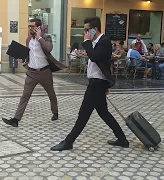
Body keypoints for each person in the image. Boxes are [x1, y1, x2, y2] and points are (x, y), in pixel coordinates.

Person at [50, 17, 129, 151]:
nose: (85, 33)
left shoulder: (104, 42)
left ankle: (68, 142)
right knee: (104, 113)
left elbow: (94, 57)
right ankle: (122, 139)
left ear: (95, 29)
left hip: (97, 84)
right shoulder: (96, 42)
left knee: (83, 114)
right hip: (97, 82)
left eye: (87, 30)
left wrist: (86, 42)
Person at [2, 18, 66, 127]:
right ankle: (16, 119)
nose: (30, 29)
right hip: (31, 73)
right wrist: (23, 59)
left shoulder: (46, 38)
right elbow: (28, 54)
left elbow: (49, 48)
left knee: (51, 93)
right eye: (29, 26)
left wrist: (39, 37)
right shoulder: (28, 39)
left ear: (38, 27)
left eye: (32, 26)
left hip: (45, 72)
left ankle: (55, 112)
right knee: (25, 95)